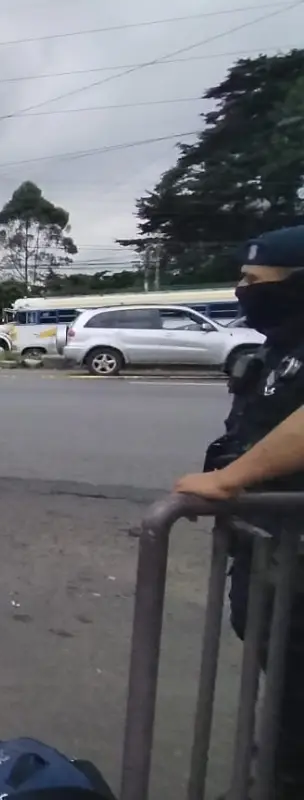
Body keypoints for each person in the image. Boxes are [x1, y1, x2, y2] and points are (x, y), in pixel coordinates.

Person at [173, 224, 304, 799]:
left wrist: (230, 480)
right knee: (283, 696)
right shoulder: (279, 346)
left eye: (254, 281)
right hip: (271, 551)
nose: (241, 291)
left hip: (294, 557)